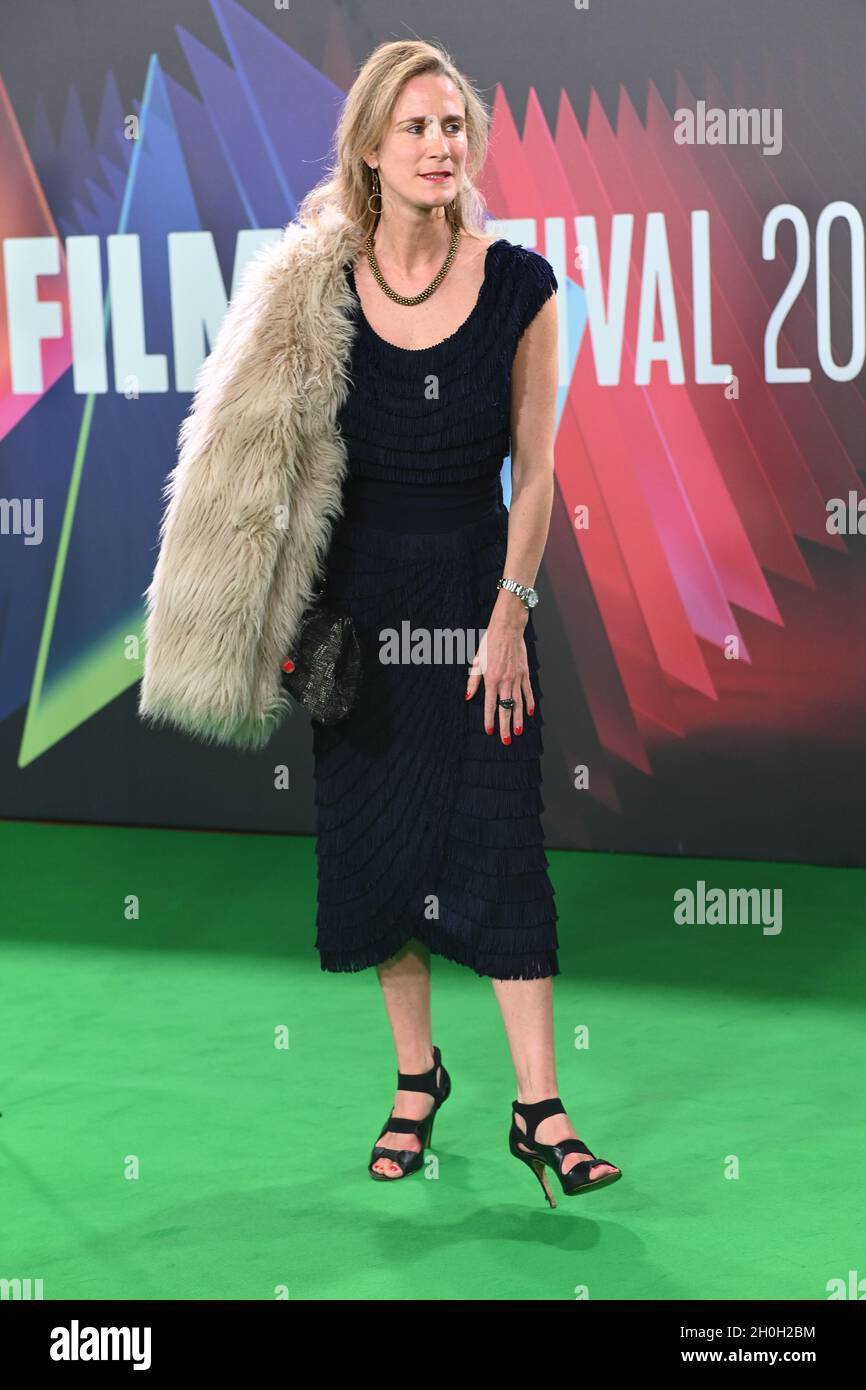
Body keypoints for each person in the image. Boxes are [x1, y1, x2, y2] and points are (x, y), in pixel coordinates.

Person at [297, 39, 621, 1203]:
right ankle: (413, 1079)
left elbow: (532, 475)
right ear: (371, 153)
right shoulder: (318, 294)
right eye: (416, 129)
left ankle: (539, 1107)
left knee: (496, 841)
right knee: (381, 847)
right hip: (359, 614)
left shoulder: (521, 284)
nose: (441, 147)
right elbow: (271, 464)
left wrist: (506, 614)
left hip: (480, 598)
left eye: (452, 127)